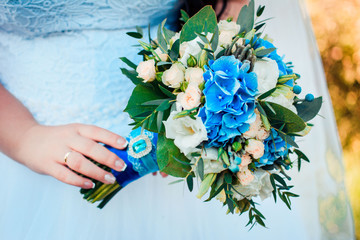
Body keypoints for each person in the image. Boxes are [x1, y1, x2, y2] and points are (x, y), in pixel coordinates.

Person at [0, 0, 355, 239]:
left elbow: (230, 15)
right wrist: (25, 137)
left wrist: (197, 118)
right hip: (22, 147)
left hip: (179, 160)